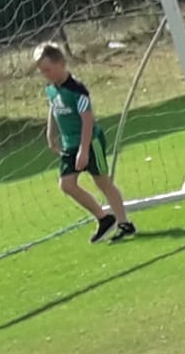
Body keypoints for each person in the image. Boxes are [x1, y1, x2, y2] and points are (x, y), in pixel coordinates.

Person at [35, 43, 136, 242]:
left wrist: (84, 150)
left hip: (90, 142)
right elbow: (53, 108)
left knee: (102, 182)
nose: (45, 74)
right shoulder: (51, 89)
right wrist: (51, 134)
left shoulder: (77, 90)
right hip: (69, 145)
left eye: (48, 69)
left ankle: (124, 223)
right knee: (66, 185)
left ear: (61, 63)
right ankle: (104, 218)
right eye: (42, 71)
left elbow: (87, 120)